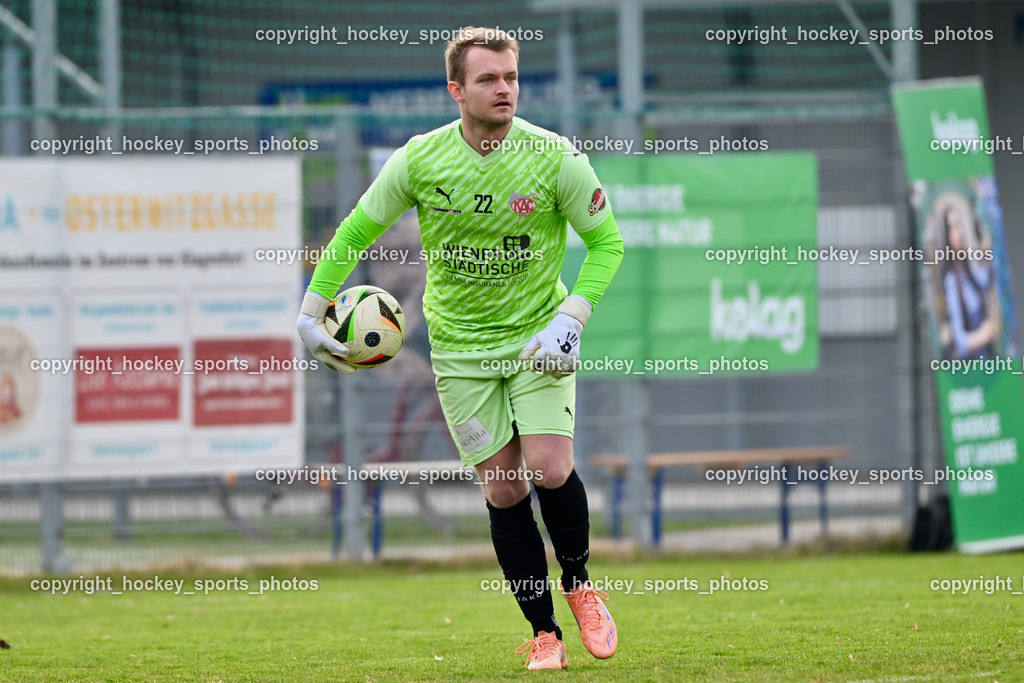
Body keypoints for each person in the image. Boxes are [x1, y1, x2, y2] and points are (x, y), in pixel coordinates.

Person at [297, 26, 624, 671]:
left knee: (550, 468)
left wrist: (572, 318)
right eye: (487, 80)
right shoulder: (419, 160)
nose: (503, 89)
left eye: (510, 78)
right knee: (504, 491)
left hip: (538, 338)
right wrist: (312, 309)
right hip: (459, 351)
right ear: (457, 90)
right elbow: (356, 231)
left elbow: (608, 243)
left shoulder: (555, 157)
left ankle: (581, 583)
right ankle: (544, 634)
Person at [941, 204, 996, 359]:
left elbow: (985, 281)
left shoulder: (969, 270)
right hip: (972, 372)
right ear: (947, 237)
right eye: (953, 228)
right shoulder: (951, 282)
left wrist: (988, 252)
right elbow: (960, 343)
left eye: (960, 226)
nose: (959, 234)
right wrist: (983, 335)